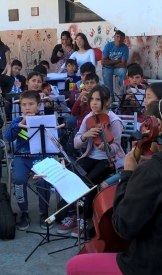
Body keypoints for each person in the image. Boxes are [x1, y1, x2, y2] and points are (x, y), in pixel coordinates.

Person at [66, 97, 162, 274]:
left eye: (146, 123)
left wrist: (127, 175)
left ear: (159, 125)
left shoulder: (152, 171)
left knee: (74, 265)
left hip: (156, 267)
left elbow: (124, 227)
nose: (142, 129)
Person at [68, 85, 125, 237]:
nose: (93, 103)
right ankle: (73, 213)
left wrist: (105, 147)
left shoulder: (114, 121)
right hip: (90, 157)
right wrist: (85, 136)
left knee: (88, 182)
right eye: (92, 99)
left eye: (98, 100)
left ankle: (84, 219)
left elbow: (117, 148)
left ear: (107, 101)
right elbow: (76, 143)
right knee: (73, 174)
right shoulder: (88, 118)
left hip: (110, 161)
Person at [5, 90, 53, 230]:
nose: (27, 107)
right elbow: (8, 138)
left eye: (31, 104)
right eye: (24, 104)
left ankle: (44, 213)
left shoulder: (45, 120)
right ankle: (24, 212)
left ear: (38, 106)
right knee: (19, 180)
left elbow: (56, 136)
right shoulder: (17, 121)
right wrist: (21, 124)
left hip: (41, 157)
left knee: (43, 180)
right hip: (22, 157)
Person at [101, 31, 129, 97]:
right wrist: (117, 61)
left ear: (123, 39)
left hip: (117, 68)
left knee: (123, 71)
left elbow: (123, 64)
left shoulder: (125, 47)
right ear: (114, 37)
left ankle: (124, 96)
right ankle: (110, 103)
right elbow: (103, 62)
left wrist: (109, 62)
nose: (119, 39)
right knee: (108, 88)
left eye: (121, 37)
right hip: (107, 68)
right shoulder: (108, 45)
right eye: (117, 36)